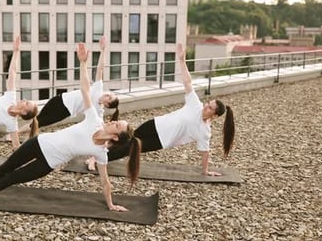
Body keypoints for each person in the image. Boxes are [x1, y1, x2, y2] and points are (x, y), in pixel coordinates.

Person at [0, 42, 142, 212]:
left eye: (116, 125)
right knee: (5, 167)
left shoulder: (101, 153)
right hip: (39, 143)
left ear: (115, 137)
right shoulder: (94, 120)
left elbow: (105, 181)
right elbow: (85, 89)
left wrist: (110, 204)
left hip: (48, 163)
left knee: (11, 179)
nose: (112, 121)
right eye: (116, 121)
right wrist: (83, 63)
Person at [86, 43, 235, 176]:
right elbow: (188, 82)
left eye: (210, 108)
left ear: (214, 116)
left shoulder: (204, 131)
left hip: (161, 140)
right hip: (155, 124)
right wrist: (182, 61)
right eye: (208, 103)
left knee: (130, 149)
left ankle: (97, 158)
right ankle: (97, 153)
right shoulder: (195, 104)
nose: (206, 106)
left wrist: (205, 170)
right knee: (128, 138)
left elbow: (205, 152)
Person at [18, 36, 119, 136]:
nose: (107, 94)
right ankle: (21, 133)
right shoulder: (98, 88)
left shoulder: (98, 110)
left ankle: (17, 133)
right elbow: (100, 69)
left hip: (65, 111)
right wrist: (103, 50)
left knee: (38, 122)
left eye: (109, 97)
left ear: (107, 105)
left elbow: (100, 126)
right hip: (60, 99)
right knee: (37, 119)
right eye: (110, 94)